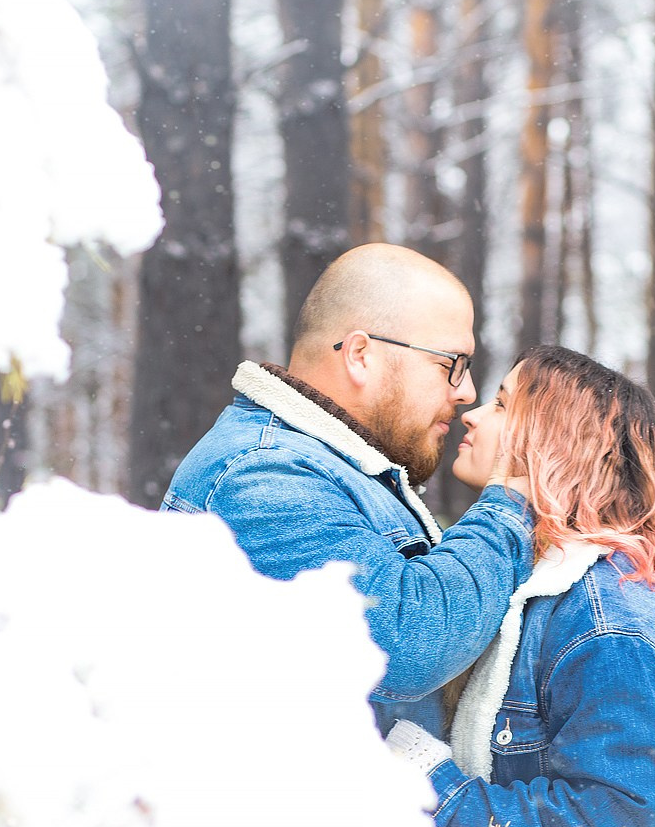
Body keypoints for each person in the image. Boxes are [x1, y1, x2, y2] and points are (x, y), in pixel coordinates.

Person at [387, 345, 655, 827]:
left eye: (504, 404)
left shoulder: (617, 621)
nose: (473, 414)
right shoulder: (539, 593)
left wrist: (432, 787)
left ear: (556, 441)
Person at [161, 244, 533, 737]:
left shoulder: (330, 468)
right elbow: (407, 644)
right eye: (452, 362)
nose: (465, 392)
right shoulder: (264, 476)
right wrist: (511, 502)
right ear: (360, 356)